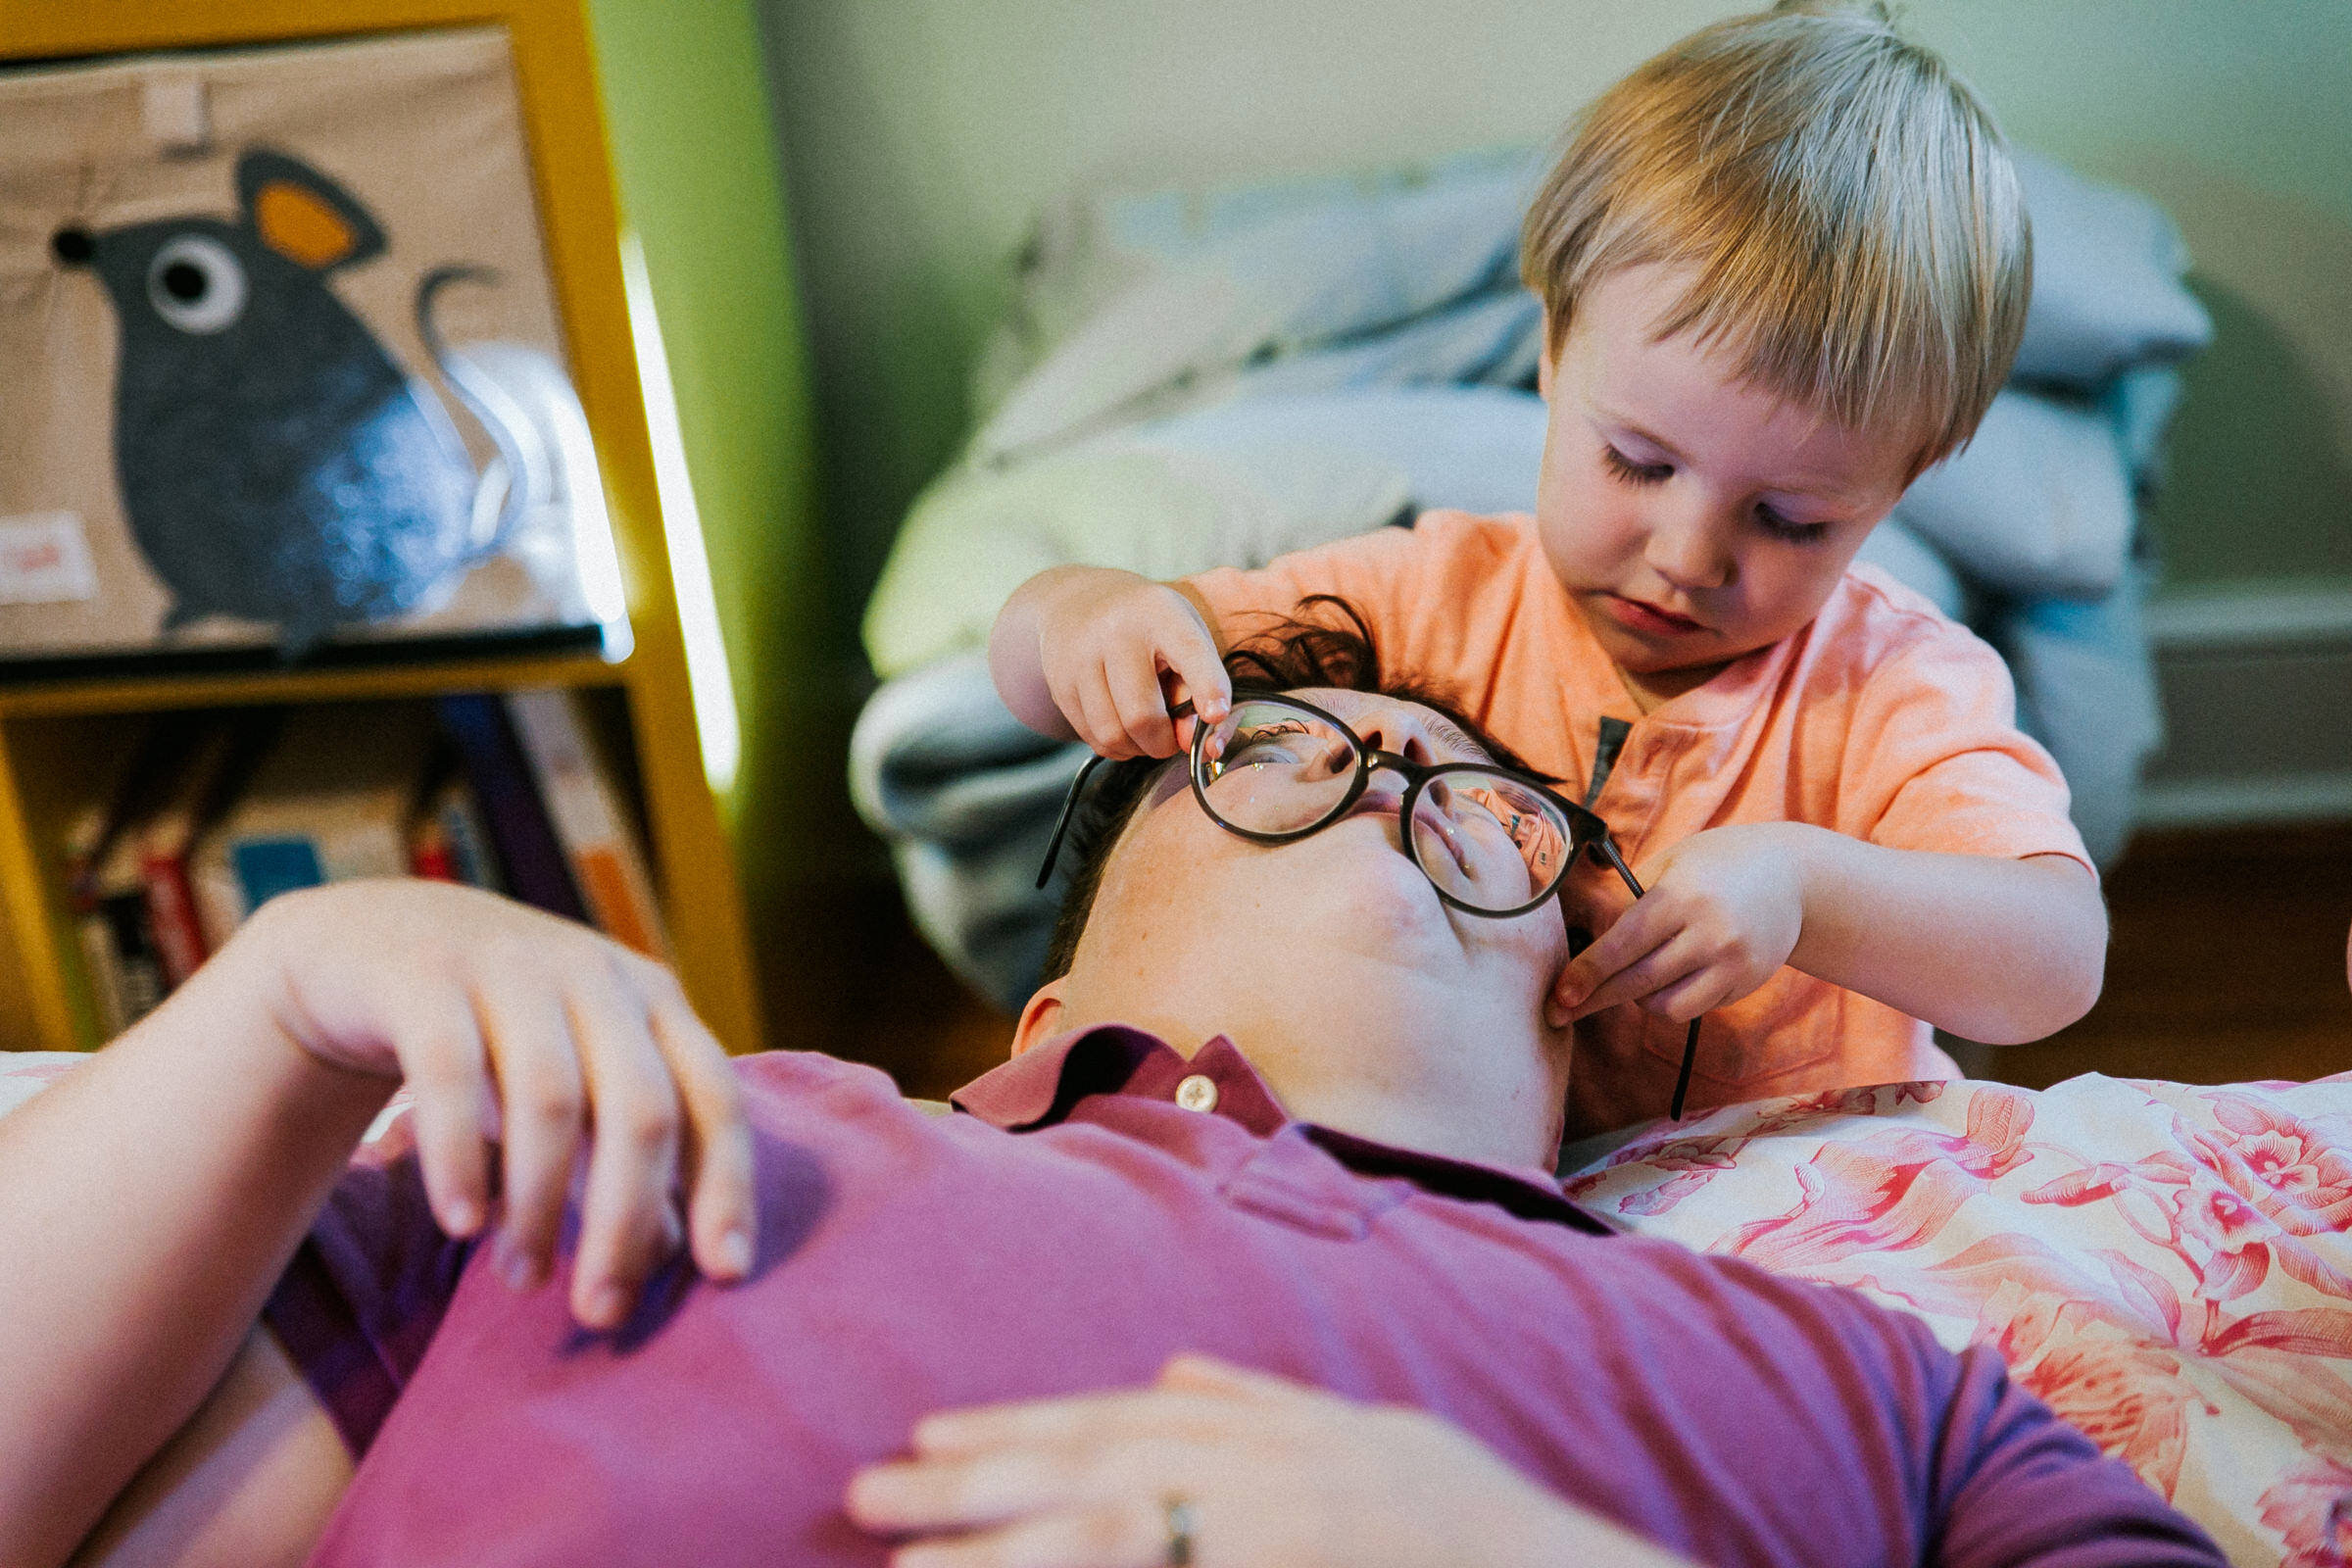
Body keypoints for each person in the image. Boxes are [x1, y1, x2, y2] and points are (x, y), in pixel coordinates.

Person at [0, 624, 2217, 1568]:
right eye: (1274, 752)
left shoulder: (1861, 1386)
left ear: (1575, 1011)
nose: (1389, 769)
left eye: (1482, 804)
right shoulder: (678, 1131)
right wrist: (289, 996)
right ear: (1047, 992)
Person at [987, 1, 2108, 1134]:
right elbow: (1035, 669)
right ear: (1552, 354)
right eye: (1635, 461)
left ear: (1898, 490)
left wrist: (1808, 890)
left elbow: (2058, 961)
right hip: (1471, 1205)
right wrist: (1081, 614)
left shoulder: (1896, 689)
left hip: (1794, 1216)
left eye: (1791, 519)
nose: (1688, 557)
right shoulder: (1425, 599)